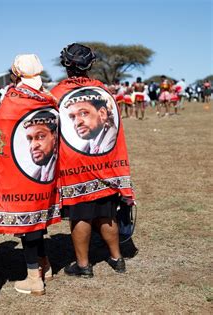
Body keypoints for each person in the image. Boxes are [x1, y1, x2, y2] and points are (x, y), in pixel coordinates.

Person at [51, 43, 135, 278]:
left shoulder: (56, 94)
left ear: (66, 65)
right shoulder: (103, 91)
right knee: (106, 212)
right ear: (89, 65)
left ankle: (83, 264)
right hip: (106, 163)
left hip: (74, 165)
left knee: (81, 214)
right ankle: (117, 258)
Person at [0, 54, 61, 295]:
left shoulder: (12, 100)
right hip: (46, 174)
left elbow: (1, 140)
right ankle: (45, 266)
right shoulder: (49, 99)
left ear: (17, 74)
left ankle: (34, 279)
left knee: (28, 225)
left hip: (19, 174)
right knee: (38, 221)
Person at [64, 89, 118, 154]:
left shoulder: (113, 141)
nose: (77, 123)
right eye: (72, 117)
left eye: (83, 113)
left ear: (102, 113)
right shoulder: (86, 147)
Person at [24, 110, 58, 181]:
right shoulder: (35, 176)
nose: (33, 146)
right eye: (30, 139)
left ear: (54, 136)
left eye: (40, 137)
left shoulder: (65, 167)